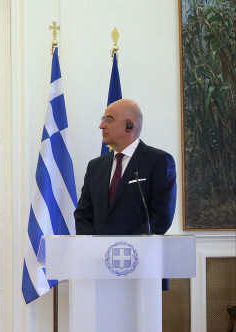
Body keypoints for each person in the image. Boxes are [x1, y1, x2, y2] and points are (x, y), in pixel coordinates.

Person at [74, 98, 176, 236]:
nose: (102, 125)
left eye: (109, 120)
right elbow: (83, 214)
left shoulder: (159, 161)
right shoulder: (95, 166)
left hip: (139, 253)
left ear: (130, 125)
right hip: (98, 253)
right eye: (103, 119)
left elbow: (161, 216)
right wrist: (92, 245)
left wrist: (128, 246)